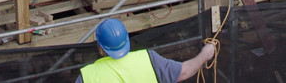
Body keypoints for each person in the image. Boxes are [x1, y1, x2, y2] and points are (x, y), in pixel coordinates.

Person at [77, 17, 216, 82]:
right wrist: (205, 54)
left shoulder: (88, 77)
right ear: (127, 39)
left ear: (100, 47)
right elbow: (184, 71)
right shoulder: (148, 59)